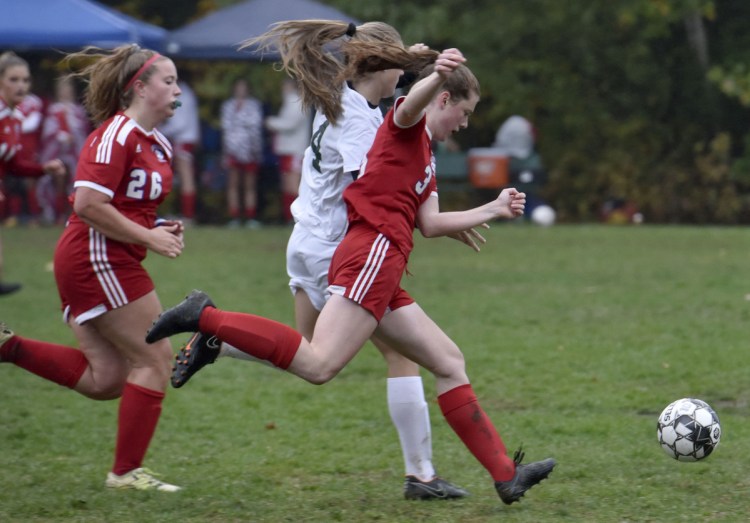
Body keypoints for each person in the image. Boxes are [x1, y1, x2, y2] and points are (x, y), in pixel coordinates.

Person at [148, 46, 556, 504]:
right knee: (320, 364)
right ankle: (206, 318)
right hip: (372, 256)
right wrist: (437, 75)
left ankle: (506, 475)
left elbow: (431, 223)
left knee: (448, 361)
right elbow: (411, 104)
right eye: (464, 112)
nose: (464, 124)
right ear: (442, 99)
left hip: (385, 262)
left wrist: (493, 208)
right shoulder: (405, 123)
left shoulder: (425, 153)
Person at [173, 20, 469, 500]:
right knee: (400, 354)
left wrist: (408, 58)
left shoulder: (336, 95)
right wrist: (424, 211)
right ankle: (422, 476)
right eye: (398, 69)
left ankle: (216, 342)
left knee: (306, 347)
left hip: (304, 242)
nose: (402, 84)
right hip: (339, 248)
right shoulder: (358, 120)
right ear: (382, 65)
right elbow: (369, 188)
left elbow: (385, 82)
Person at [0, 44, 185, 491]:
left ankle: (6, 347)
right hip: (96, 258)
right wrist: (148, 237)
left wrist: (158, 225)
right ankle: (124, 474)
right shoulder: (114, 135)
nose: (178, 90)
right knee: (156, 357)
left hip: (107, 257)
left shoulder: (156, 141)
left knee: (107, 380)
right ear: (139, 87)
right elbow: (87, 205)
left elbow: (125, 205)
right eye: (169, 81)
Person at [0, 52, 65, 295]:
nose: (21, 86)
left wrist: (42, 169)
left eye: (25, 80)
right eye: (13, 79)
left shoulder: (15, 118)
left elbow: (13, 164)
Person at [38, 76, 90, 224]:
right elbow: (47, 131)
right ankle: (55, 213)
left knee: (75, 182)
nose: (65, 91)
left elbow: (84, 130)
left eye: (67, 88)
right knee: (57, 181)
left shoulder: (78, 110)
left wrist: (73, 135)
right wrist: (59, 137)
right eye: (62, 88)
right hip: (57, 153)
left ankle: (71, 213)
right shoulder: (53, 110)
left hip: (74, 153)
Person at [264, 77, 309, 224]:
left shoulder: (296, 102)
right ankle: (289, 217)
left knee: (293, 183)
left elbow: (290, 124)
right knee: (286, 183)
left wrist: (270, 122)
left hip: (294, 149)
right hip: (287, 149)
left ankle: (297, 217)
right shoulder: (290, 101)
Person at [220, 78, 264, 228]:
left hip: (250, 151)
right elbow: (226, 129)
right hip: (232, 150)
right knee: (233, 183)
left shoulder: (254, 106)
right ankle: (235, 216)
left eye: (243, 87)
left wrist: (255, 150)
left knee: (249, 184)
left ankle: (250, 216)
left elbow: (256, 128)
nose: (241, 90)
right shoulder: (228, 106)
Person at [158, 78, 199, 225]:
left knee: (186, 178)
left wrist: (160, 130)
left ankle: (188, 215)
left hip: (183, 140)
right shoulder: (186, 93)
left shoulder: (182, 95)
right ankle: (185, 213)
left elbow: (180, 123)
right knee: (181, 179)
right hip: (184, 139)